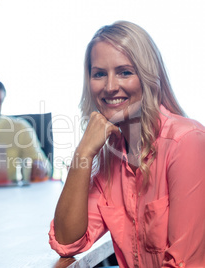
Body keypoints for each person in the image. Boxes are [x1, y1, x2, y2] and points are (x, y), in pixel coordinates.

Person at [49, 21, 205, 267]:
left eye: (124, 72)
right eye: (99, 74)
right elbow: (67, 241)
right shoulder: (113, 154)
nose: (110, 87)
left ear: (148, 77)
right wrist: (84, 153)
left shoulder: (186, 141)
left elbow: (187, 264)